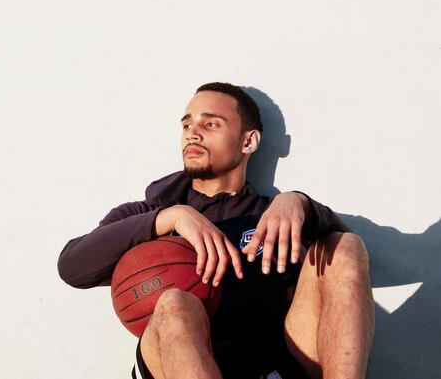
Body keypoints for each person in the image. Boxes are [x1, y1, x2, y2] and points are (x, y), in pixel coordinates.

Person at [57, 82, 375, 379]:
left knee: (344, 247)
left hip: (274, 363)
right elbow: (73, 267)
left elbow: (343, 276)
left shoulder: (273, 217)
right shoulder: (149, 212)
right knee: (175, 304)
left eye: (210, 124)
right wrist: (171, 217)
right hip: (175, 360)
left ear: (248, 141)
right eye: (186, 125)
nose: (192, 133)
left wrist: (301, 203)